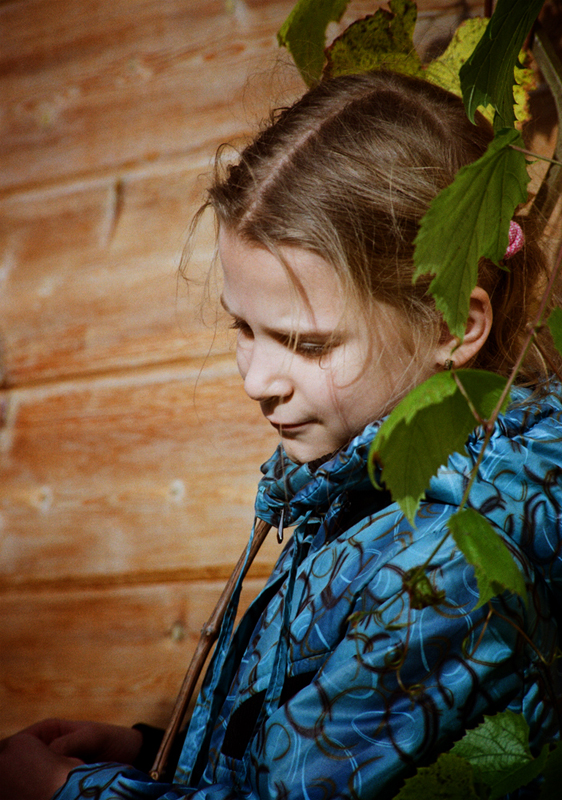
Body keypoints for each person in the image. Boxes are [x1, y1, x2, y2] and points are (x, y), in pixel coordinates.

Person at [1, 69, 561, 800]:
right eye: (244, 328)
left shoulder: (445, 563)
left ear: (454, 324)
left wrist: (70, 793)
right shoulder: (361, 490)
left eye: (309, 344)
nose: (259, 378)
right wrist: (150, 756)